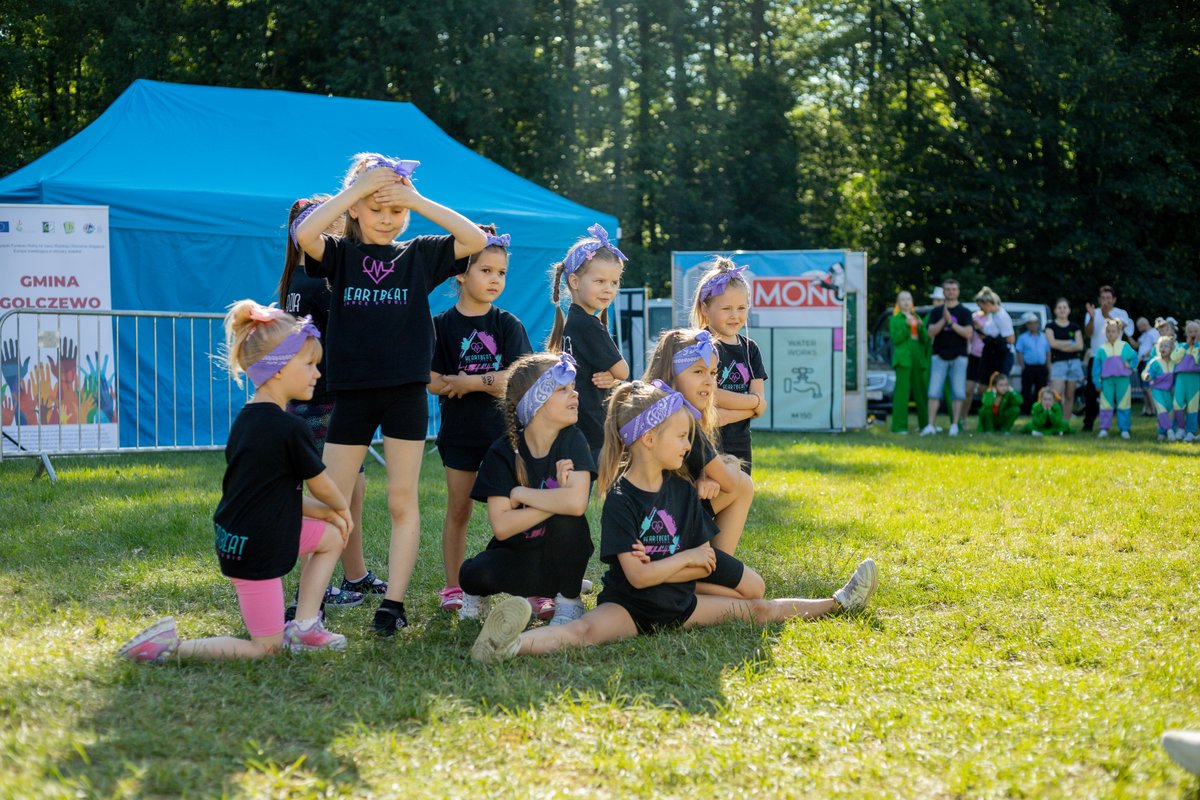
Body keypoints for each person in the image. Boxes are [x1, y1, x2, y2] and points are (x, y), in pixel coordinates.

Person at [468, 381, 879, 664]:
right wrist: (683, 561)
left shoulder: (682, 490)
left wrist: (671, 565)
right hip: (629, 607)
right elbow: (639, 578)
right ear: (649, 439)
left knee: (758, 607)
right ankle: (507, 645)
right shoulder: (620, 499)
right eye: (681, 436)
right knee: (580, 634)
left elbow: (702, 561)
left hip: (681, 604)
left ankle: (839, 602)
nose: (688, 445)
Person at [294, 153, 488, 636]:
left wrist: (415, 200)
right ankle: (308, 609)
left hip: (405, 395)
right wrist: (357, 189)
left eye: (395, 210)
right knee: (333, 502)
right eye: (376, 208)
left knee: (403, 501)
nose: (387, 219)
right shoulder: (340, 255)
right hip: (352, 395)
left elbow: (475, 240)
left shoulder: (419, 254)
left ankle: (393, 604)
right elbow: (304, 234)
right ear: (355, 208)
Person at [118, 302, 353, 662]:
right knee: (266, 648)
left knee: (332, 537)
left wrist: (328, 516)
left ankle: (305, 627)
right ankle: (169, 648)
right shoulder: (289, 428)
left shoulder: (245, 421)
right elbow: (322, 486)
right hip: (257, 546)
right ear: (278, 369)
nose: (317, 373)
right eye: (309, 364)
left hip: (249, 535)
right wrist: (341, 509)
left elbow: (273, 495)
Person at [278, 197, 380, 613]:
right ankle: (312, 592)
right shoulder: (317, 284)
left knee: (352, 491)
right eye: (336, 226)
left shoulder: (298, 280)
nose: (343, 234)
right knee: (330, 497)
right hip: (322, 404)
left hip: (324, 401)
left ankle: (354, 574)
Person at [428, 227, 532, 613]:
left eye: (501, 273)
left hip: (505, 437)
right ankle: (454, 586)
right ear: (460, 273)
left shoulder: (508, 325)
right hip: (459, 435)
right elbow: (431, 380)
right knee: (459, 509)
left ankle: (531, 581)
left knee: (516, 510)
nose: (495, 280)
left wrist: (469, 382)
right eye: (486, 271)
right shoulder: (440, 326)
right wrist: (486, 381)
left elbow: (516, 379)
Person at [459, 353, 595, 625]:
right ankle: (477, 597)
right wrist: (557, 499)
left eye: (573, 387)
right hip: (518, 560)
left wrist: (522, 494)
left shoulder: (574, 440)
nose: (575, 393)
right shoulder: (502, 452)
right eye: (563, 389)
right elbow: (503, 527)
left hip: (558, 558)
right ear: (537, 401)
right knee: (476, 574)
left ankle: (569, 600)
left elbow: (576, 505)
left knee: (570, 523)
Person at [643, 329, 763, 600]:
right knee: (753, 591)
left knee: (741, 484)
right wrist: (727, 465)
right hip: (660, 534)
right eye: (698, 372)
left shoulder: (657, 407)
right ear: (671, 374)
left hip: (657, 528)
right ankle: (692, 578)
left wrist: (704, 478)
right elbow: (729, 481)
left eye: (713, 373)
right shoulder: (680, 418)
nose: (709, 381)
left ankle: (708, 567)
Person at [546, 223, 631, 464]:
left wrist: (610, 377)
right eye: (600, 281)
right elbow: (623, 371)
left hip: (575, 420)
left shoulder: (573, 321)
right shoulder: (589, 325)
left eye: (614, 282)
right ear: (574, 281)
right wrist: (615, 377)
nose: (609, 289)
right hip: (594, 425)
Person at [690, 257, 767, 471]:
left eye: (741, 308)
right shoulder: (699, 345)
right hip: (705, 441)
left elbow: (761, 405)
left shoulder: (751, 349)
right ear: (705, 309)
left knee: (740, 488)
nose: (735, 315)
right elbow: (710, 394)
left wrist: (728, 414)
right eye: (726, 308)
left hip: (741, 442)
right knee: (709, 490)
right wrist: (752, 403)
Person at [921, 279, 973, 436]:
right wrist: (943, 319)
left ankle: (955, 425)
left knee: (958, 392)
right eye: (948, 289)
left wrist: (950, 323)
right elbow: (930, 332)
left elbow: (968, 333)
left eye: (954, 289)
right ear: (944, 292)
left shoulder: (965, 312)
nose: (951, 292)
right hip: (939, 356)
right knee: (933, 392)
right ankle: (930, 425)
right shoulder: (936, 312)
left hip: (959, 357)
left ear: (958, 291)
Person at [1082, 286, 1133, 431]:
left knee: (1119, 392)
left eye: (1109, 298)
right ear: (1099, 300)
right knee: (1091, 391)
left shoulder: (1121, 313)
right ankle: (1088, 424)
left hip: (1116, 359)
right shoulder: (1093, 313)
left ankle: (1122, 426)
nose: (1106, 301)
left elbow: (1120, 328)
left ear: (1114, 299)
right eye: (1103, 298)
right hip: (1096, 357)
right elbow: (1088, 333)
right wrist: (1092, 317)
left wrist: (1106, 315)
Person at [965, 287, 1015, 416]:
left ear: (988, 304)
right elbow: (989, 334)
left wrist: (994, 341)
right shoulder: (993, 315)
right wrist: (980, 330)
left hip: (1001, 355)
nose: (981, 309)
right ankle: (990, 412)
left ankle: (1000, 414)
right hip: (990, 354)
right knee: (984, 387)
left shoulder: (1001, 316)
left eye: (981, 306)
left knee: (1000, 386)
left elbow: (1010, 339)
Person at [888, 291, 930, 434]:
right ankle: (899, 427)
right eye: (903, 299)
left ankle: (925, 425)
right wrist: (906, 326)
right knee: (902, 394)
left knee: (921, 393)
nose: (906, 302)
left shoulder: (917, 317)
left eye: (908, 299)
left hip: (917, 359)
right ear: (898, 303)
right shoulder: (895, 319)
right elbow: (896, 339)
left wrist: (921, 327)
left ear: (912, 302)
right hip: (903, 360)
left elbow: (925, 340)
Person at [1091, 318, 1138, 439]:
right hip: (1107, 381)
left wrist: (1130, 365)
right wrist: (1097, 383)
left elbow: (1135, 358)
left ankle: (1125, 429)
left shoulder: (1124, 346)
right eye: (1108, 331)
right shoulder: (1101, 349)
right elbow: (1096, 369)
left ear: (1118, 333)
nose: (1110, 334)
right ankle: (1104, 429)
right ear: (1105, 332)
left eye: (1113, 331)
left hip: (1123, 380)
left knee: (1124, 404)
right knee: (1105, 405)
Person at [1046, 298, 1085, 422]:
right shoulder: (1050, 326)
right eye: (1059, 307)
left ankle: (1065, 423)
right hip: (1057, 363)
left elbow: (1080, 346)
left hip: (1073, 363)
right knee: (1056, 394)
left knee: (1069, 396)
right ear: (1055, 310)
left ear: (1069, 310)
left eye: (1064, 307)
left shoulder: (1075, 327)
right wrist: (1070, 343)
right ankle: (1053, 421)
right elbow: (1052, 344)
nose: (1062, 310)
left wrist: (1060, 344)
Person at [1014, 312, 1050, 415]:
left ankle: (1039, 410)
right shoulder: (1023, 337)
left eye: (1034, 323)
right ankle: (1025, 411)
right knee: (1026, 389)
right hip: (1029, 367)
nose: (1032, 325)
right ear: (1027, 325)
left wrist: (1048, 365)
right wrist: (1022, 365)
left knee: (1041, 389)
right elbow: (1019, 352)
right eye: (1030, 323)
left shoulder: (1044, 337)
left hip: (1041, 367)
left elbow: (1048, 352)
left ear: (1038, 323)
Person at [1142, 336, 1176, 441]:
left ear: (1171, 349)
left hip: (1169, 392)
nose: (1163, 348)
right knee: (1162, 410)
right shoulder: (1155, 362)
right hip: (1156, 390)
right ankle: (1169, 431)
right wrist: (1147, 376)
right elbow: (1146, 373)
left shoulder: (1174, 362)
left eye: (1166, 346)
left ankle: (1161, 433)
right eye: (1161, 346)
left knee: (1170, 412)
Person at [1171, 320, 1200, 441]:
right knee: (1177, 404)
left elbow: (1197, 361)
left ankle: (1191, 432)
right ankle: (1180, 429)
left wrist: (1196, 346)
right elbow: (1174, 358)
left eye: (1195, 331)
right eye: (1190, 331)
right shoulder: (1181, 346)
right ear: (1186, 333)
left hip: (1195, 379)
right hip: (1181, 378)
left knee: (1193, 406)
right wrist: (1186, 346)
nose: (1193, 334)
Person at [1134, 317, 1159, 416]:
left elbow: (1155, 347)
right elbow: (1135, 345)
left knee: (1148, 388)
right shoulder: (1144, 335)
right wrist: (1127, 334)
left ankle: (1154, 410)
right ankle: (1148, 410)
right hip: (1141, 363)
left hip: (1148, 362)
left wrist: (1144, 356)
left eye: (1139, 327)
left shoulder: (1154, 332)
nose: (1138, 329)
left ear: (1143, 324)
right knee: (1144, 389)